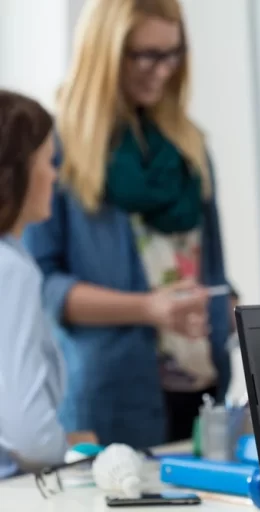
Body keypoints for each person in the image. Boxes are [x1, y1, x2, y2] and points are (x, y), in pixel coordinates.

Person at [23, 0, 233, 448]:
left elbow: (211, 268)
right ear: (105, 54)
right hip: (111, 396)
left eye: (172, 53)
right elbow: (43, 287)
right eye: (144, 55)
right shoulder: (57, 153)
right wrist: (148, 308)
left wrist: (227, 304)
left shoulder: (190, 148)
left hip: (201, 388)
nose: (162, 70)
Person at [0, 90, 98, 478]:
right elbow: (29, 435)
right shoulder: (11, 270)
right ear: (17, 172)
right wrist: (68, 445)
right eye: (48, 161)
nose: (55, 175)